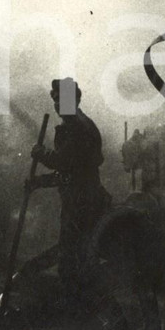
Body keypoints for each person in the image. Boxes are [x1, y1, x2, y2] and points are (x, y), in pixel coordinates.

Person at [29, 78, 112, 297]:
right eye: (56, 101)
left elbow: (63, 163)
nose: (57, 106)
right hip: (82, 199)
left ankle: (79, 313)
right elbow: (71, 172)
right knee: (77, 258)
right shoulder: (78, 124)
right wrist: (40, 182)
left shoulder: (77, 127)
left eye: (62, 100)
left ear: (74, 100)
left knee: (72, 261)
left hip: (81, 204)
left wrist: (40, 154)